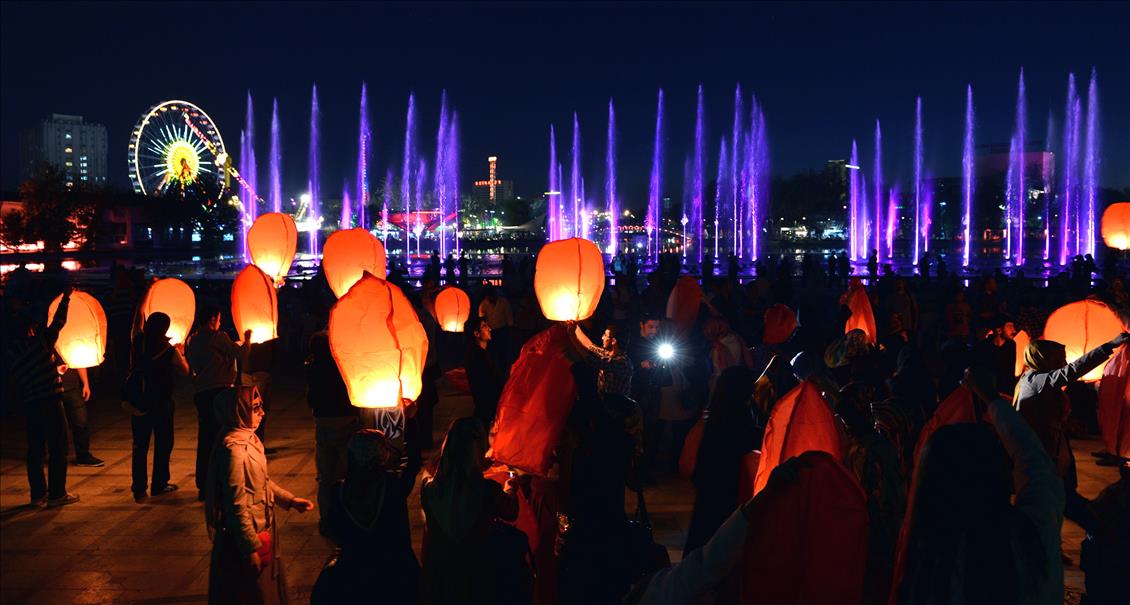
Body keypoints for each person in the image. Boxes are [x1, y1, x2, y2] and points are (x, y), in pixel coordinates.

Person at [896, 371, 1065, 605]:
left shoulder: (931, 568)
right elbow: (1036, 465)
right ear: (1000, 474)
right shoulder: (1032, 540)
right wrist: (991, 399)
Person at [205, 380, 313, 605]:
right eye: (255, 408)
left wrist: (289, 500)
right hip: (247, 537)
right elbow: (236, 503)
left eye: (261, 405)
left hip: (262, 529)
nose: (262, 412)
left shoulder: (249, 438)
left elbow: (262, 482)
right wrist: (249, 548)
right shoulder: (233, 450)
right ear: (238, 411)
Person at [1013, 333, 1130, 526]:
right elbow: (1072, 371)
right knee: (1061, 500)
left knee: (1059, 499)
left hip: (1052, 450)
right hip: (1045, 454)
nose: (1065, 362)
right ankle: (1101, 527)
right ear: (1045, 358)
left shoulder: (1031, 379)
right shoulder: (1037, 380)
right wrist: (1109, 346)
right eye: (1060, 359)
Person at [312, 430, 419, 604]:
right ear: (382, 456)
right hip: (393, 575)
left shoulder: (338, 492)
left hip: (353, 576)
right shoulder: (393, 486)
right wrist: (411, 423)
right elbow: (413, 463)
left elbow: (332, 529)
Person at [421, 418, 521, 605]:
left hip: (440, 575)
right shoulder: (487, 490)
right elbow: (510, 512)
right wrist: (510, 490)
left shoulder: (428, 490)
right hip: (477, 574)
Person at [7, 288, 78, 507]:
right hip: (51, 402)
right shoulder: (41, 343)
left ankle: (38, 495)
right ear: (30, 329)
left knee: (35, 449)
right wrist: (66, 297)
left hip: (31, 403)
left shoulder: (11, 353)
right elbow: (58, 322)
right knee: (58, 447)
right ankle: (57, 494)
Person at [683, 366, 760, 555]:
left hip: (706, 500)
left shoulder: (707, 423)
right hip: (735, 505)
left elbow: (686, 465)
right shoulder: (749, 429)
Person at [186, 305, 251, 500]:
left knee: (205, 438)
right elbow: (241, 355)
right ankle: (220, 483)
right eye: (219, 318)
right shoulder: (218, 336)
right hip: (220, 391)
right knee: (222, 438)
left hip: (201, 392)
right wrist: (247, 339)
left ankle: (204, 484)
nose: (220, 322)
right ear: (213, 318)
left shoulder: (193, 339)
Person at [131, 311, 189, 502]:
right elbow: (185, 370)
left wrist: (144, 296)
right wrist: (181, 352)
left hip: (139, 400)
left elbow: (136, 323)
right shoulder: (168, 350)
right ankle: (159, 484)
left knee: (140, 445)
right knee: (163, 443)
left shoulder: (138, 342)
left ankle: (139, 488)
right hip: (162, 402)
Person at [304, 331, 359, 533]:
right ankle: (349, 515)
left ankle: (326, 517)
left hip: (323, 422)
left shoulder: (312, 369)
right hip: (346, 419)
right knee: (348, 472)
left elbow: (310, 397)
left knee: (326, 476)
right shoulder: (343, 366)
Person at [566, 322, 634, 397]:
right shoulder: (608, 353)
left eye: (605, 335)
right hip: (605, 402)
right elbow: (589, 345)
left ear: (613, 341)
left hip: (615, 406)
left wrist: (572, 336)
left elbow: (592, 361)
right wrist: (574, 325)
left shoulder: (622, 362)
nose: (602, 337)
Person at [463, 317, 507, 426]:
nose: (489, 329)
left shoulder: (482, 353)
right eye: (484, 326)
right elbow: (490, 382)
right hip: (487, 407)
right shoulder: (478, 357)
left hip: (486, 406)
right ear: (477, 334)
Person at [61, 365, 103, 467]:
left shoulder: (70, 348)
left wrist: (86, 384)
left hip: (73, 387)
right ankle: (58, 456)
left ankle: (83, 456)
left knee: (81, 420)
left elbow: (79, 362)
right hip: (54, 389)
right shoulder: (48, 349)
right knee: (59, 425)